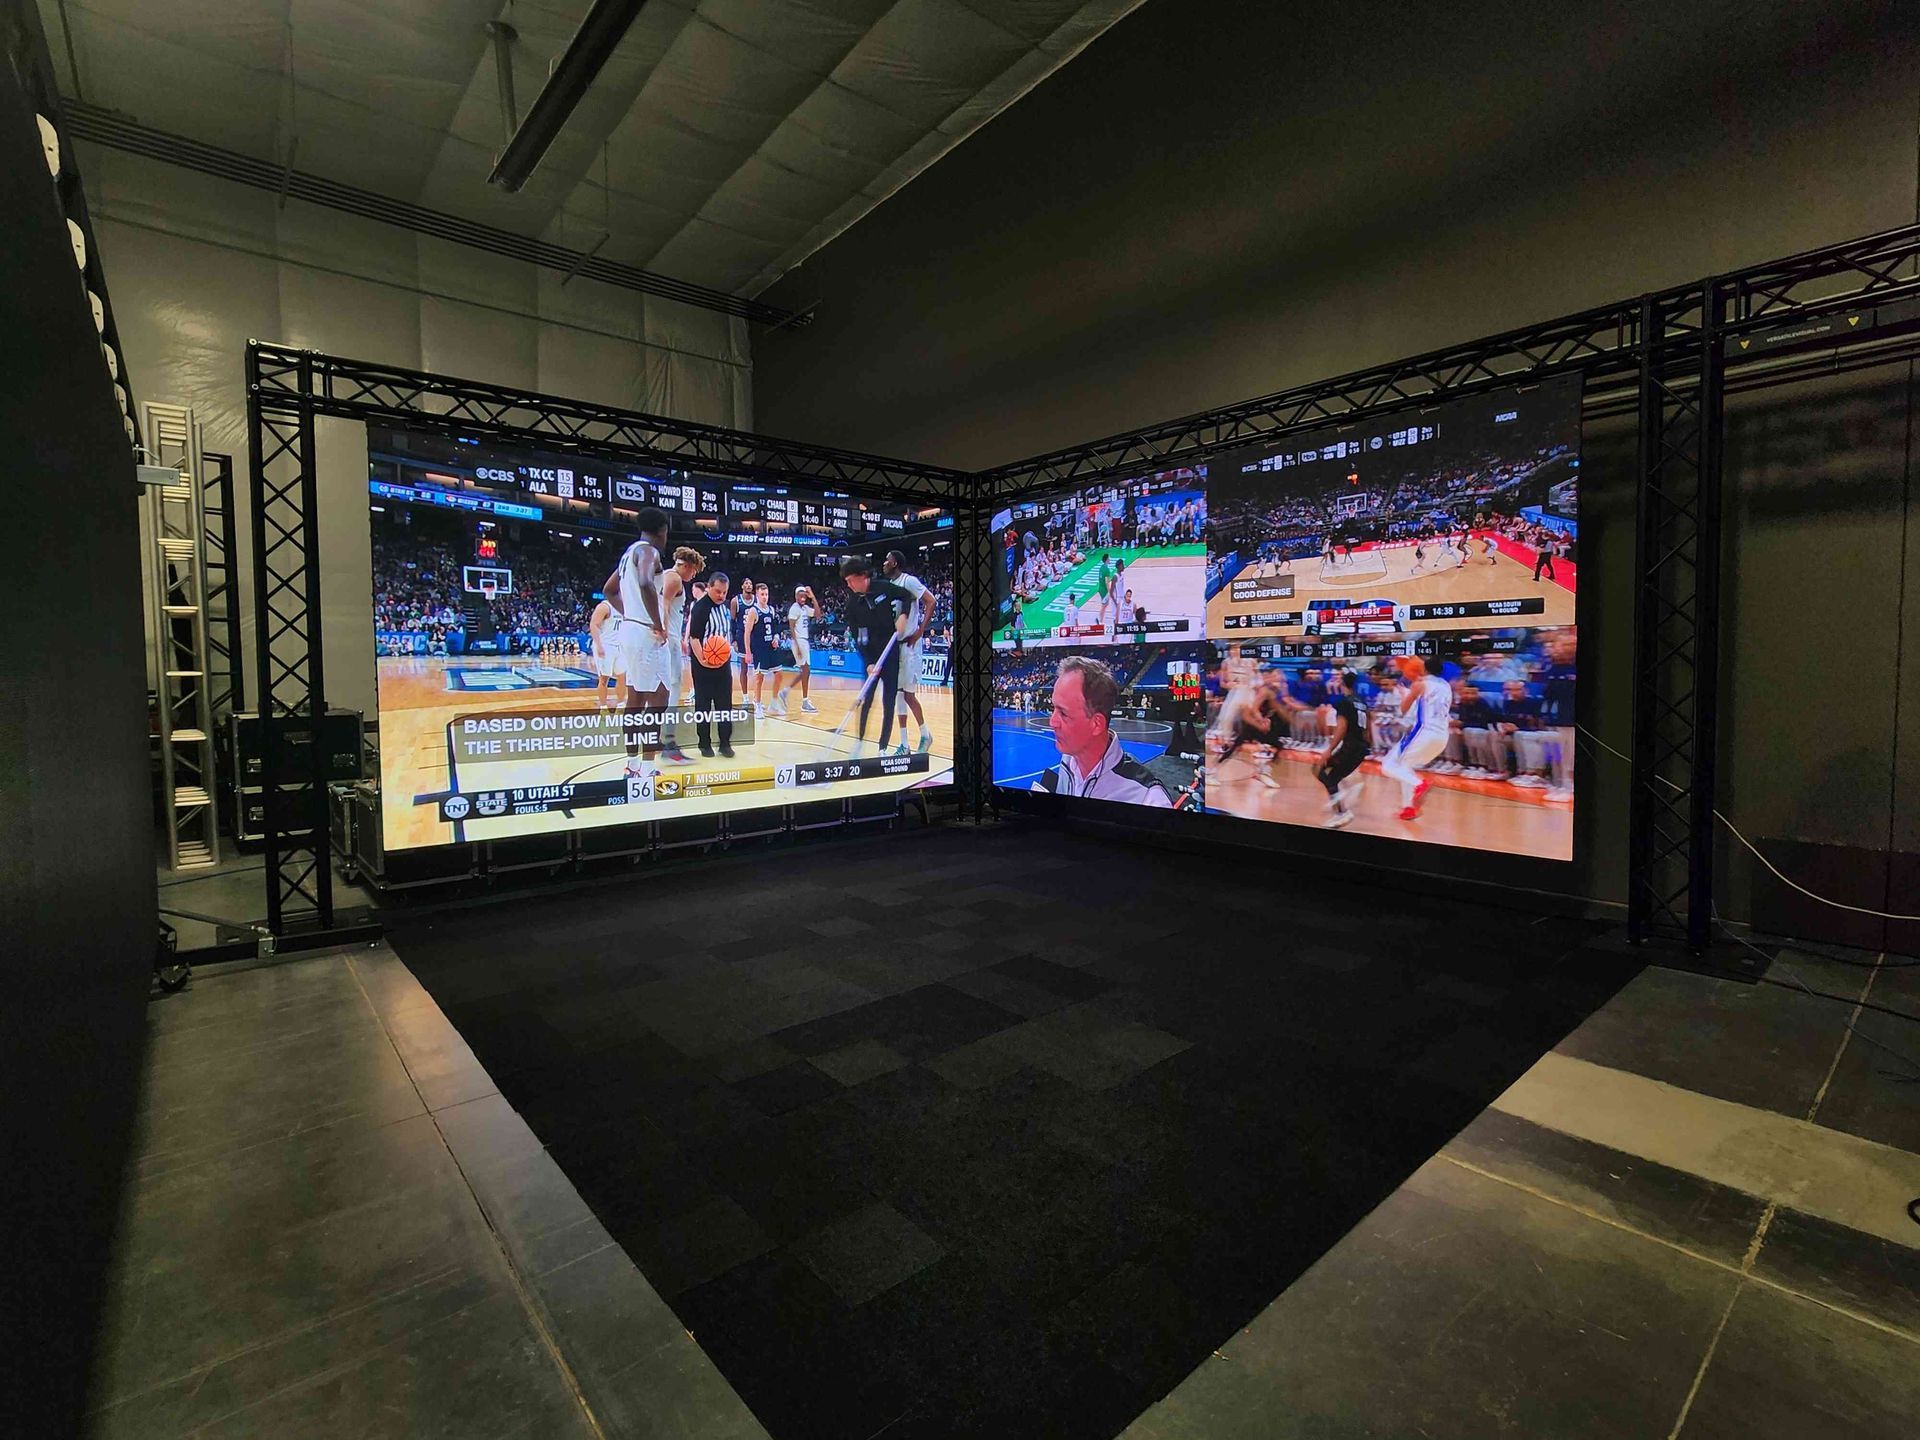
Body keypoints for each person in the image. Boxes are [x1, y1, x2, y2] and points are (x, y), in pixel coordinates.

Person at [1033, 655, 1171, 805]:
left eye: (1063, 713)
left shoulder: (1147, 798)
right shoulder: (1068, 762)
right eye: (1054, 708)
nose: (1052, 722)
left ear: (1097, 724)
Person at [603, 508, 671, 783]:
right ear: (662, 530)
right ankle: (646, 765)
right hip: (645, 634)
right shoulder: (648, 551)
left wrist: (629, 612)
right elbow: (645, 582)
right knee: (659, 700)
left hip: (630, 629)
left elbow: (609, 590)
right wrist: (657, 623)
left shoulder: (627, 553)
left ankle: (632, 765)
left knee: (636, 700)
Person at [839, 555, 914, 753]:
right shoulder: (852, 605)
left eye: (850, 580)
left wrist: (903, 616)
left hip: (890, 652)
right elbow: (857, 636)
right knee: (867, 699)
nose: (848, 585)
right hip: (871, 658)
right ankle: (860, 741)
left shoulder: (883, 587)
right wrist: (869, 662)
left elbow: (907, 596)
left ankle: (882, 748)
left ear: (862, 576)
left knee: (889, 702)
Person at [1380, 654, 1452, 820]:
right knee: (1405, 766)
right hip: (1442, 737)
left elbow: (1404, 709)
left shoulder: (1420, 684)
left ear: (1425, 669)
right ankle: (1408, 808)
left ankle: (1420, 784)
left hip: (1424, 733)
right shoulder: (1446, 686)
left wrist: (1404, 693)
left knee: (1388, 765)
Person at [882, 550, 936, 754]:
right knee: (898, 695)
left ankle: (925, 734)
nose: (883, 563)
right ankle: (903, 744)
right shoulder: (888, 587)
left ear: (895, 562)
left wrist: (921, 630)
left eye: (887, 560)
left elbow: (931, 601)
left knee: (908, 695)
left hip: (911, 646)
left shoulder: (909, 581)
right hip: (896, 647)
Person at [656, 547, 703, 760]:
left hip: (665, 639)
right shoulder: (674, 578)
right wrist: (664, 631)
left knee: (659, 691)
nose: (693, 576)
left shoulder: (665, 575)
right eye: (693, 571)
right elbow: (663, 605)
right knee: (673, 689)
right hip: (668, 639)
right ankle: (669, 742)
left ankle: (657, 739)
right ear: (685, 565)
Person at [686, 570, 736, 759]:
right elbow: (694, 638)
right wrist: (704, 661)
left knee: (725, 705)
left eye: (724, 592)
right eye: (717, 592)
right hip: (703, 664)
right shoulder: (700, 608)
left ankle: (725, 743)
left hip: (723, 664)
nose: (721, 595)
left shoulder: (724, 607)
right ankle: (704, 744)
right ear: (708, 588)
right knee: (703, 705)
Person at [1317, 669, 1369, 827]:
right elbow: (1367, 727)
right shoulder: (1361, 702)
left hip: (1351, 746)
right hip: (1361, 747)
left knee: (1324, 773)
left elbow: (1341, 727)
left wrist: (1329, 750)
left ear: (1342, 683)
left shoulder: (1344, 702)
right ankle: (1339, 800)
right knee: (1330, 775)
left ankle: (1341, 812)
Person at [747, 581, 798, 717]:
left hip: (771, 648)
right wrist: (747, 651)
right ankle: (757, 704)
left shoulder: (771, 610)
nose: (765, 597)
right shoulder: (753, 611)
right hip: (759, 649)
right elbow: (747, 632)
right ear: (757, 595)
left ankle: (774, 703)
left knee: (779, 674)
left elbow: (775, 627)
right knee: (759, 678)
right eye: (762, 594)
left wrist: (776, 637)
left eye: (767, 594)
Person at [786, 583, 822, 714]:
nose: (803, 597)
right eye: (800, 595)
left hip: (804, 641)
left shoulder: (805, 608)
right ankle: (805, 702)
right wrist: (797, 645)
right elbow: (791, 628)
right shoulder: (794, 608)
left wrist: (813, 597)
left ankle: (786, 693)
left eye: (804, 595)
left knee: (806, 671)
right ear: (796, 596)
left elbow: (818, 615)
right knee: (806, 670)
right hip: (799, 641)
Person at [587, 597, 623, 711]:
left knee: (622, 677)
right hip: (605, 646)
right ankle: (603, 707)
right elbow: (593, 624)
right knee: (604, 678)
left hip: (620, 646)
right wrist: (599, 645)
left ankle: (621, 704)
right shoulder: (605, 606)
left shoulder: (626, 607)